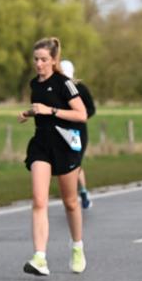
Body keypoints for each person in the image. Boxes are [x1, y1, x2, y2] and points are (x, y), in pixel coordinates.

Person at [19, 38, 89, 276]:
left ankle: (77, 246)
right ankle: (40, 258)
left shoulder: (64, 83)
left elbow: (82, 114)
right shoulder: (34, 84)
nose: (39, 64)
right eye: (36, 59)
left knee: (70, 202)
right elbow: (42, 110)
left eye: (44, 60)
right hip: (41, 145)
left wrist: (52, 111)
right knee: (39, 201)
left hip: (65, 144)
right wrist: (29, 113)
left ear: (54, 60)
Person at [60, 60, 96, 210]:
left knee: (74, 164)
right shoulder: (56, 88)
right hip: (60, 131)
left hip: (76, 132)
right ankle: (74, 194)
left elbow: (91, 109)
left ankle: (81, 193)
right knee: (64, 164)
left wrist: (79, 116)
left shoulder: (80, 88)